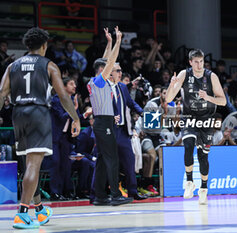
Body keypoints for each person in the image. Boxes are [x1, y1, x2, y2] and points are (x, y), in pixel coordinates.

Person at [0, 27, 80, 229]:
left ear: (28, 45)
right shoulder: (49, 65)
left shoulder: (13, 66)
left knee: (29, 164)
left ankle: (39, 209)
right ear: (44, 45)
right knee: (34, 165)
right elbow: (63, 96)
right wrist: (75, 117)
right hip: (38, 114)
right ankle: (22, 214)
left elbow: (2, 93)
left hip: (18, 115)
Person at [165, 49, 226, 205]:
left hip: (206, 120)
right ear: (190, 62)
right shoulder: (184, 74)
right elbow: (168, 99)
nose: (199, 65)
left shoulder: (211, 76)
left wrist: (208, 97)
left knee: (203, 156)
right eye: (196, 62)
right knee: (188, 145)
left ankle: (203, 188)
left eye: (202, 61)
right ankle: (189, 182)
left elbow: (223, 101)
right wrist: (172, 86)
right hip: (189, 118)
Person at [87, 26, 133, 206]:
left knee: (101, 161)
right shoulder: (99, 80)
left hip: (103, 121)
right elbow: (110, 61)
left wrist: (110, 42)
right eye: (108, 68)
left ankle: (99, 196)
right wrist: (119, 41)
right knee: (112, 159)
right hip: (103, 123)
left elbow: (106, 59)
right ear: (102, 70)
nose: (113, 69)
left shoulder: (95, 80)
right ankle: (115, 195)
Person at [106, 59, 147, 200]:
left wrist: (142, 112)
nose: (120, 73)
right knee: (110, 163)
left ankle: (133, 192)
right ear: (110, 73)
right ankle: (111, 192)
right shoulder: (104, 87)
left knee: (130, 161)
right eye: (118, 70)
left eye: (120, 70)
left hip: (123, 131)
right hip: (109, 130)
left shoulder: (122, 87)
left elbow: (130, 102)